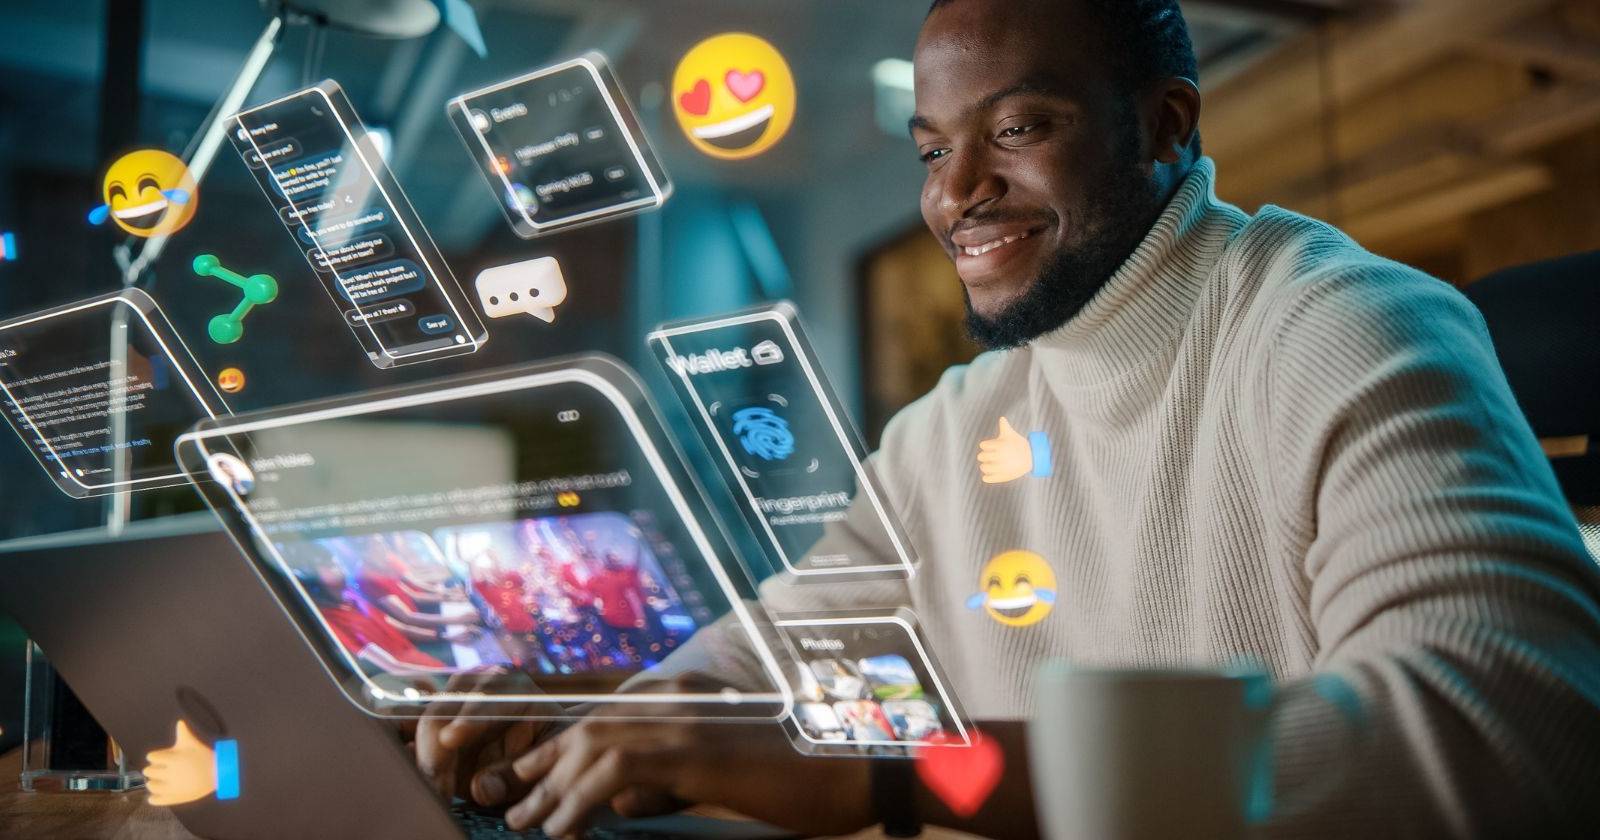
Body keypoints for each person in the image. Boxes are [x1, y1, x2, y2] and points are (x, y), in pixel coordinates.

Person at [417, 1, 1600, 836]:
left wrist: (909, 776)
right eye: (933, 148)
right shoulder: (951, 425)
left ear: (1160, 126)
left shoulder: (1337, 323)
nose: (953, 191)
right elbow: (777, 655)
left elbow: (1514, 739)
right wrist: (602, 708)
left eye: (1017, 129)